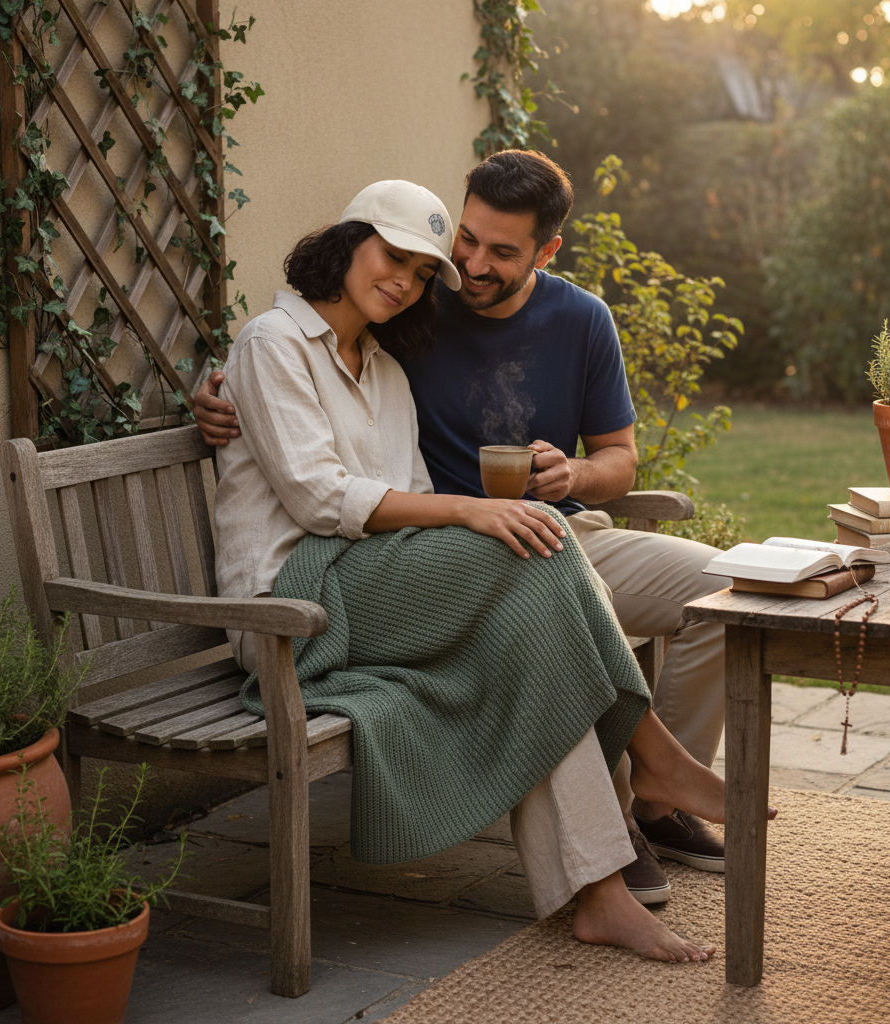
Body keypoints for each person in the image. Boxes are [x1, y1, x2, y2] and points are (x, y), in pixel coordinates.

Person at [213, 178, 744, 963]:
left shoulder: (387, 368)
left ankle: (601, 896)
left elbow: (417, 492)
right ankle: (656, 759)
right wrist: (471, 513)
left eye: (423, 272)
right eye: (395, 256)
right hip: (297, 603)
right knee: (535, 551)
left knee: (532, 626)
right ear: (348, 241)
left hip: (380, 588)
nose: (407, 279)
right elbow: (319, 496)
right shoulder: (273, 344)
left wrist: (491, 510)